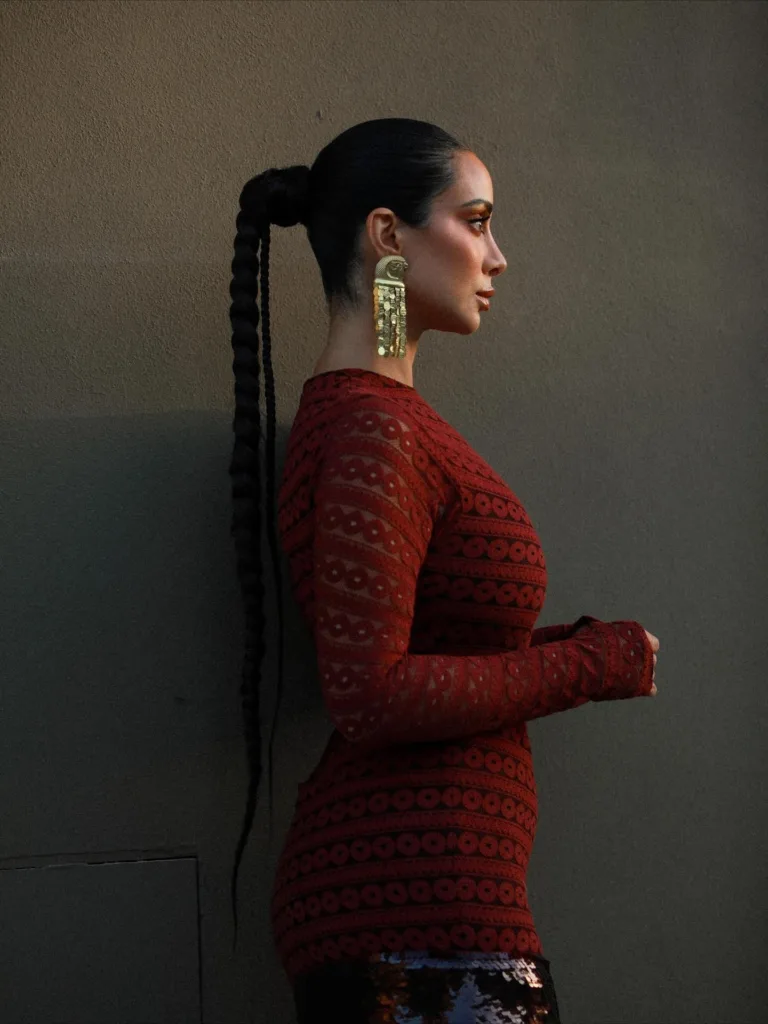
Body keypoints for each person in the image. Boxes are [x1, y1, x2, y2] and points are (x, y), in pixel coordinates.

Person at [227, 118, 660, 1024]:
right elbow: (370, 695)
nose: (497, 257)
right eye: (477, 221)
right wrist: (592, 664)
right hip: (413, 912)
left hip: (431, 908)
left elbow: (430, 651)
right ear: (389, 236)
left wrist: (572, 649)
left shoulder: (386, 412)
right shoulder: (372, 428)